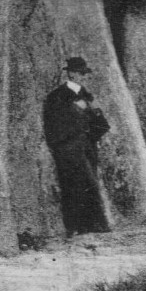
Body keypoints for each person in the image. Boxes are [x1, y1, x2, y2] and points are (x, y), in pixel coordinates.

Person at [43, 56, 111, 236]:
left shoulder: (87, 96)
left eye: (85, 74)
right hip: (68, 147)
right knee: (73, 185)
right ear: (71, 73)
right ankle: (73, 226)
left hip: (86, 146)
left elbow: (101, 122)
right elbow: (52, 124)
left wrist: (90, 137)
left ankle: (91, 226)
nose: (83, 77)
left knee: (89, 184)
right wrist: (64, 143)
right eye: (80, 73)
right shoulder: (58, 96)